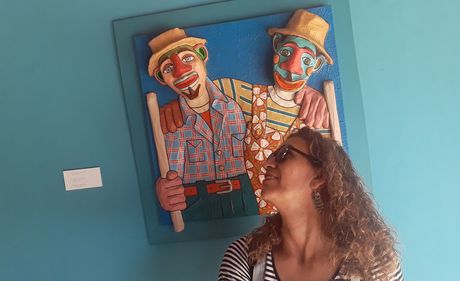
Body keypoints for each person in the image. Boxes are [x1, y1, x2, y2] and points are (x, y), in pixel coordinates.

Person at [159, 9, 337, 214]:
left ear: (318, 65)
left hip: (293, 220)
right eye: (287, 53)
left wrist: (315, 94)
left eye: (306, 61)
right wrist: (174, 105)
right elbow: (199, 93)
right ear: (276, 44)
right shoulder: (239, 94)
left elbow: (331, 177)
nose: (292, 68)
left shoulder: (317, 118)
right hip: (244, 213)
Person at [218, 127, 403, 281]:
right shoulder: (245, 257)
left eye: (284, 154)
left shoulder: (372, 262)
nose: (267, 163)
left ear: (319, 177)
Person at [149, 28, 258, 221]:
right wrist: (167, 189)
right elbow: (172, 175)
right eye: (168, 68)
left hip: (243, 197)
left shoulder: (234, 105)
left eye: (188, 58)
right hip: (199, 203)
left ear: (202, 54)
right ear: (161, 78)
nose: (180, 71)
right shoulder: (174, 124)